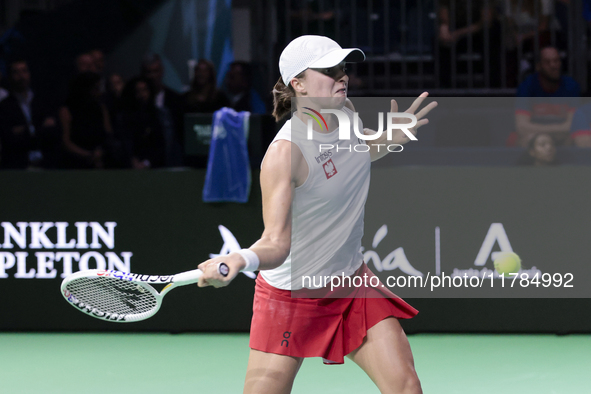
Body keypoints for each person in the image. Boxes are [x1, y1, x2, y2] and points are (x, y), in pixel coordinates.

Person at [196, 35, 436, 393]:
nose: (342, 77)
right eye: (328, 70)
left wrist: (390, 138)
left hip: (351, 283)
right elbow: (276, 243)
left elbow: (359, 150)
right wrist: (239, 259)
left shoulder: (345, 112)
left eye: (342, 68)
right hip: (291, 295)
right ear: (299, 83)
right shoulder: (285, 154)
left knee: (405, 385)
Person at [513, 46, 580, 147]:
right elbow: (522, 127)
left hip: (562, 137)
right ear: (538, 66)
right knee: (523, 140)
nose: (553, 65)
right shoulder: (527, 86)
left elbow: (572, 125)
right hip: (535, 136)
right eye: (547, 62)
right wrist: (557, 129)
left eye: (556, 61)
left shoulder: (571, 85)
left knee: (579, 139)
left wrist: (544, 130)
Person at [0, 59, 60, 169]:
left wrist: (24, 130)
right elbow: (9, 139)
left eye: (24, 71)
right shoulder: (5, 106)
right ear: (9, 76)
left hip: (47, 164)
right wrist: (39, 128)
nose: (21, 76)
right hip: (17, 166)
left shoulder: (43, 102)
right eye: (16, 72)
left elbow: (53, 133)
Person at [60, 72, 112, 169]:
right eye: (96, 88)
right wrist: (88, 155)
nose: (99, 92)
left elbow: (108, 133)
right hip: (76, 162)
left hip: (101, 158)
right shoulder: (67, 111)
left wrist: (100, 151)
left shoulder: (101, 108)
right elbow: (66, 142)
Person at [141, 53, 184, 167]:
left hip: (172, 161)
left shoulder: (175, 100)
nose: (152, 76)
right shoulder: (138, 102)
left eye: (156, 71)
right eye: (148, 72)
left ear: (162, 71)